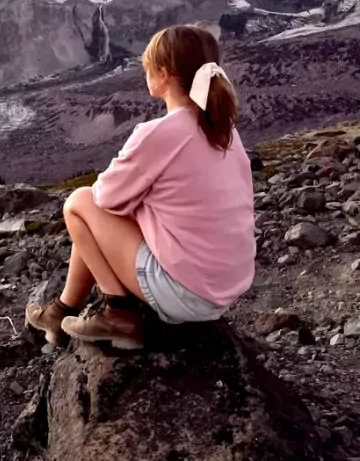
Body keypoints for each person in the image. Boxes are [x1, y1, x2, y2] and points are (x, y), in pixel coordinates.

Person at [26, 25, 256, 350]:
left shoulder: (160, 133)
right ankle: (60, 312)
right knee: (108, 214)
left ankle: (119, 314)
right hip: (224, 288)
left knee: (79, 203)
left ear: (163, 75)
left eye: (147, 65)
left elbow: (103, 197)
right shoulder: (224, 130)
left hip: (185, 293)